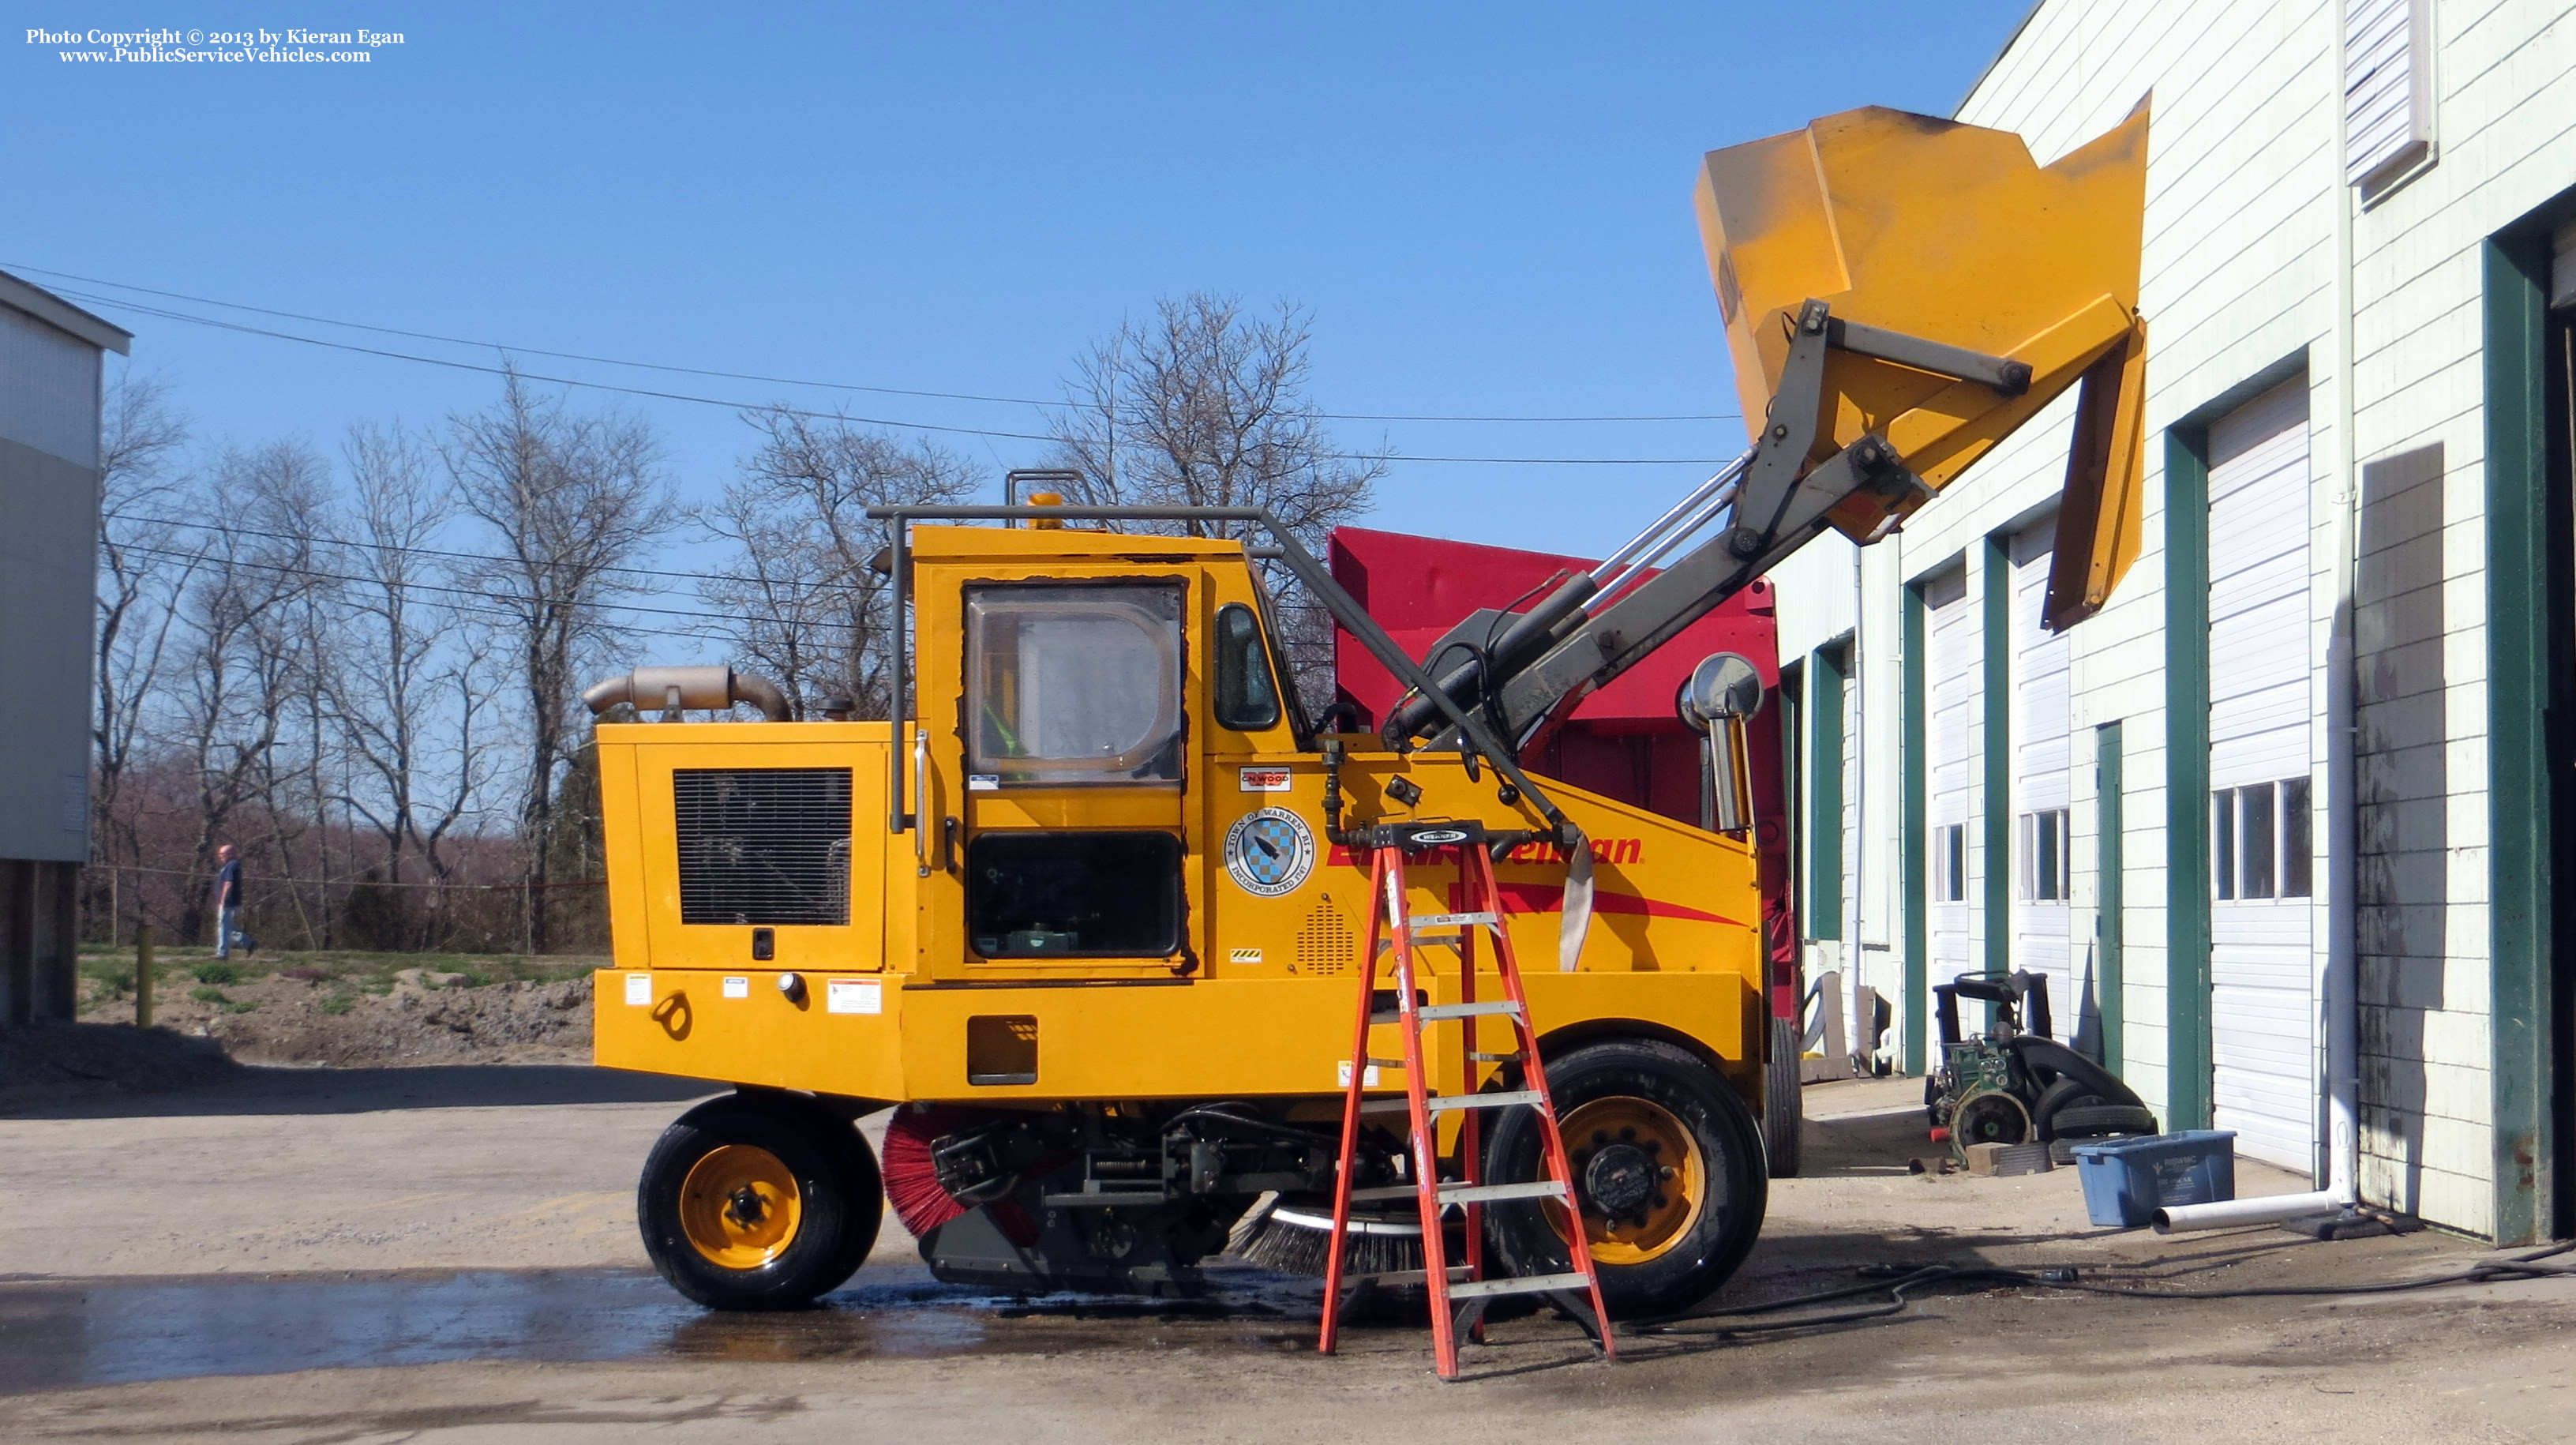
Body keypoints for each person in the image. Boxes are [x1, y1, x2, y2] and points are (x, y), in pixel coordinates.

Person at [212, 844, 253, 960]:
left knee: (224, 927)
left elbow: (229, 883)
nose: (220, 856)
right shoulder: (227, 865)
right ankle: (248, 942)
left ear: (230, 854)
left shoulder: (233, 865)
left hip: (229, 901)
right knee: (226, 926)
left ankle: (223, 953)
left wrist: (223, 899)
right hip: (227, 901)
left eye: (222, 854)